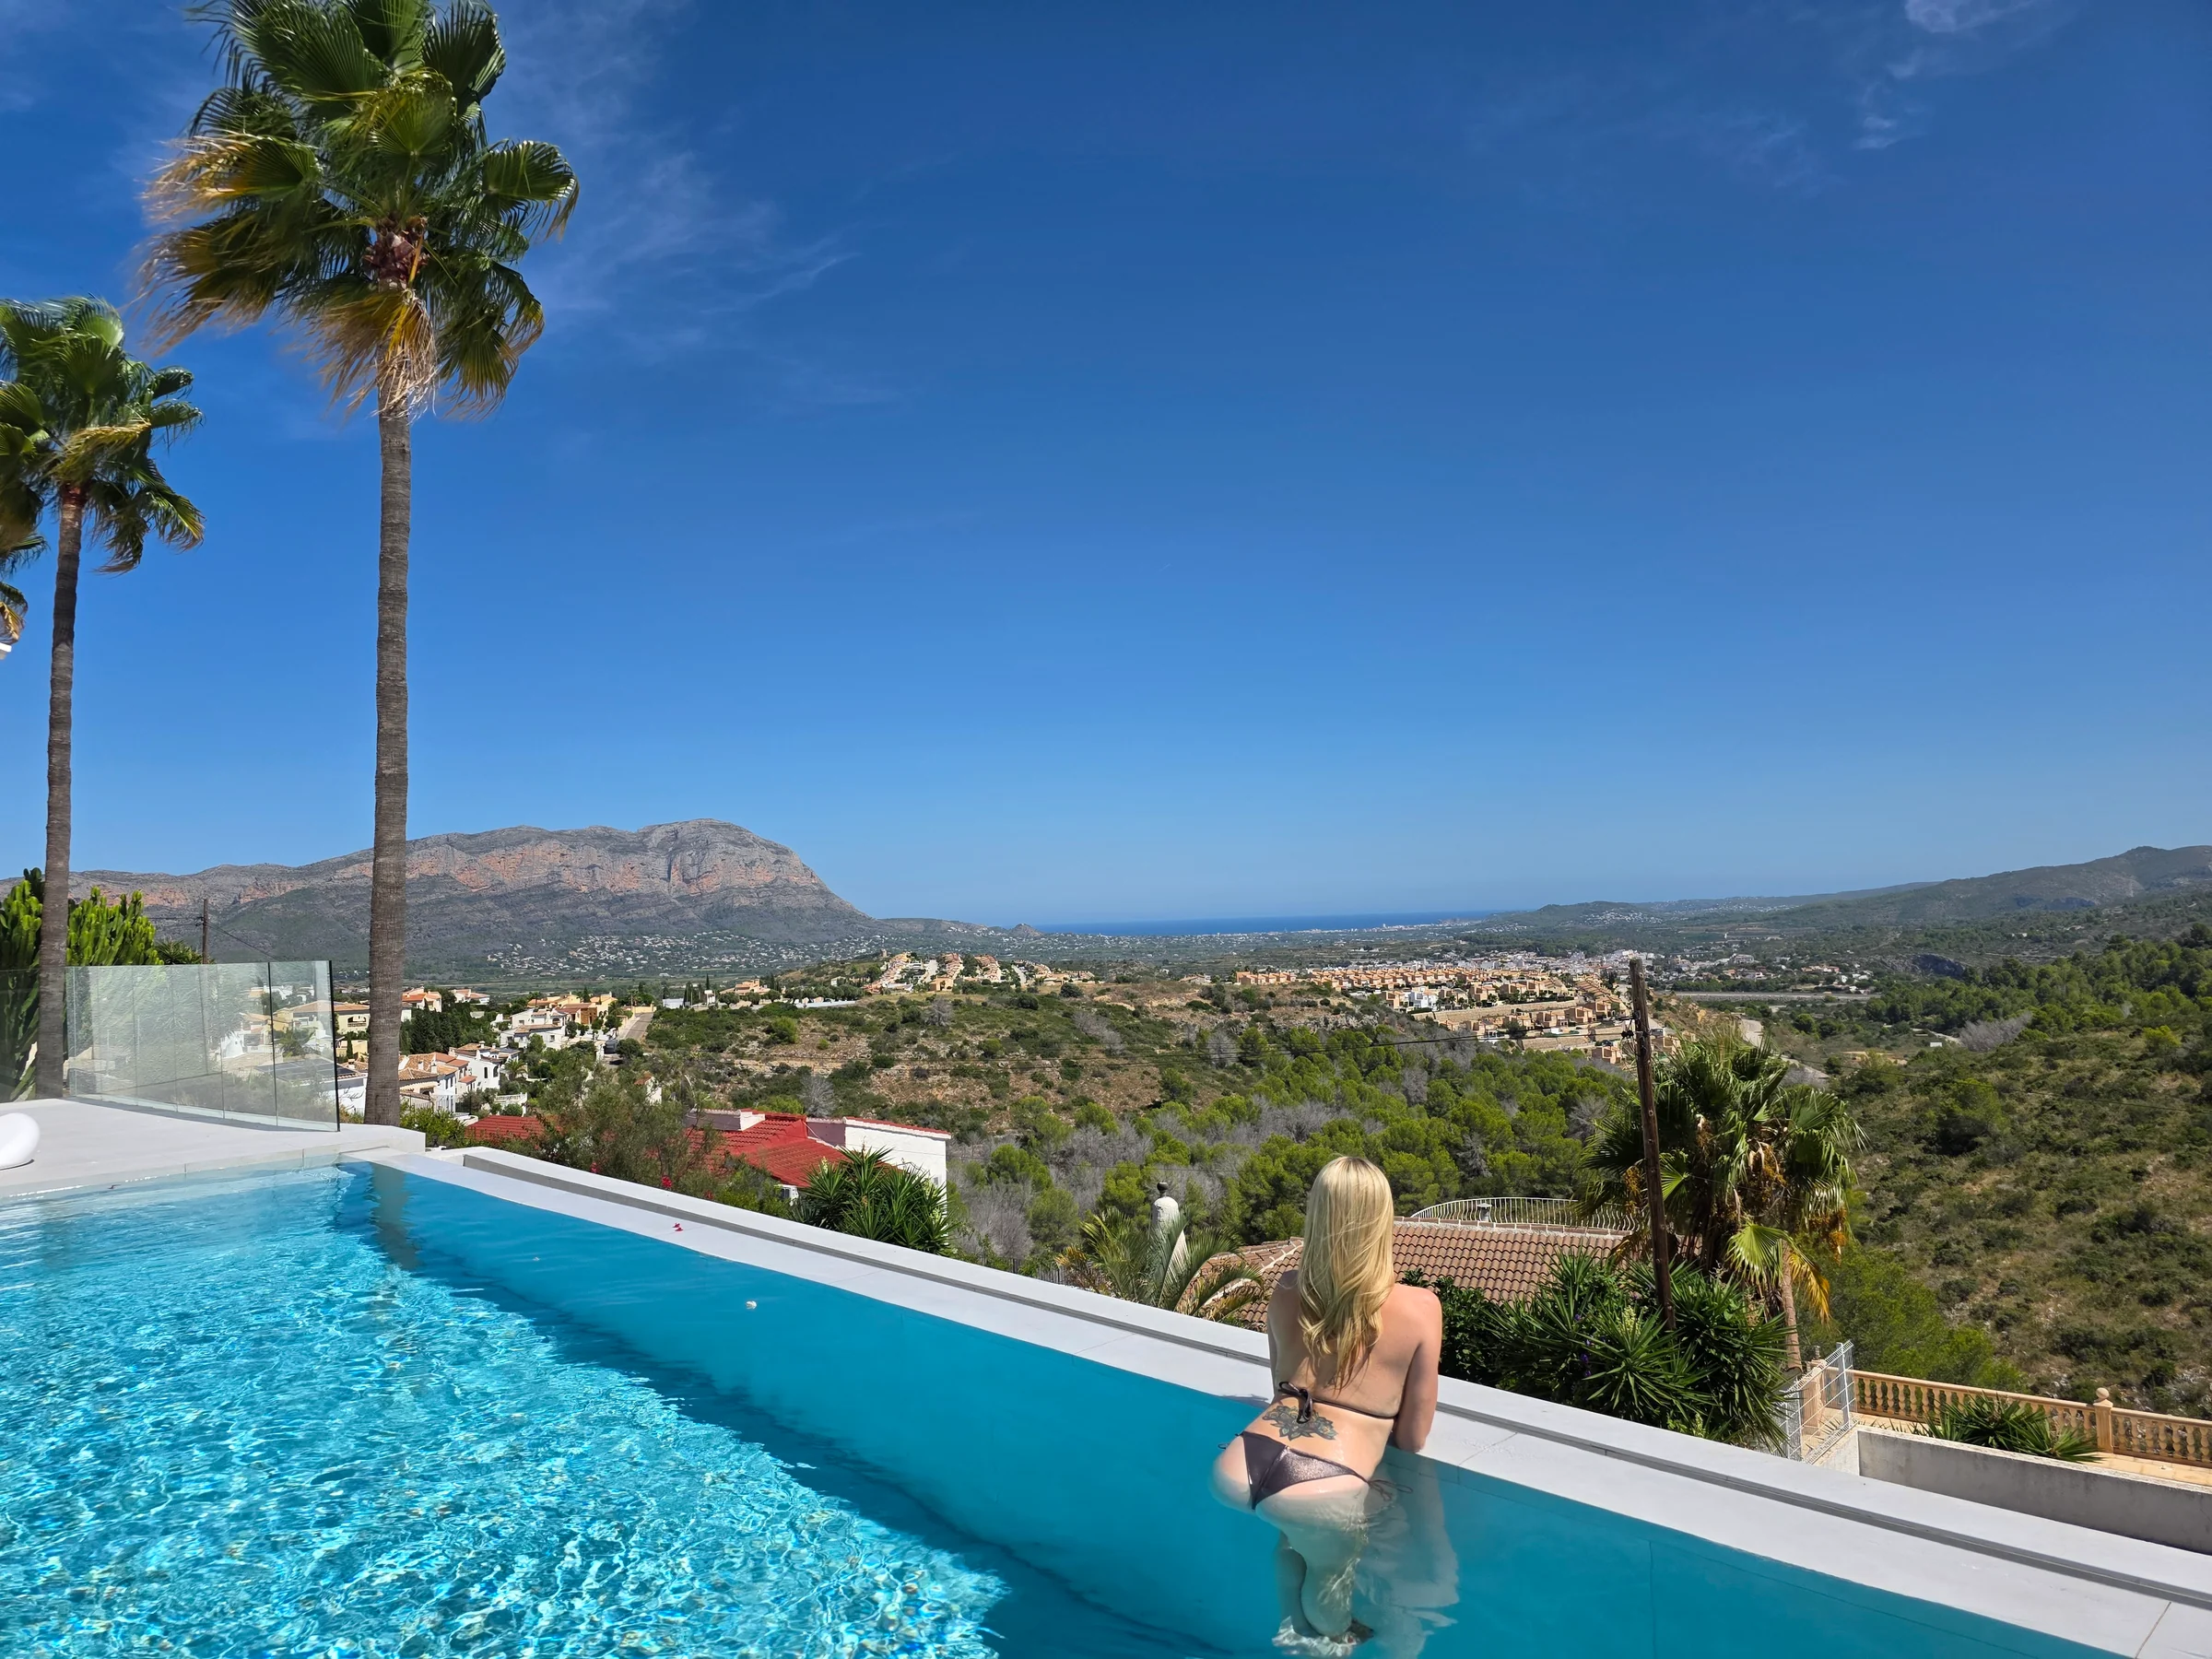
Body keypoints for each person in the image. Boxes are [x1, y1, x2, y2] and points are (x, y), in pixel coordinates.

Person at [1210, 1156, 1441, 1651]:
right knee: (1331, 1576)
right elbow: (1412, 1437)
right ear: (1382, 1220)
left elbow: (1279, 1388)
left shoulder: (1288, 1288)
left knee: (1289, 1537)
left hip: (1244, 1462)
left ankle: (1291, 1632)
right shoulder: (1420, 1307)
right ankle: (1327, 1643)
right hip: (1324, 1480)